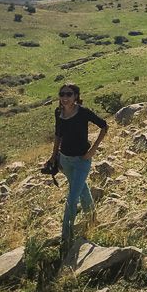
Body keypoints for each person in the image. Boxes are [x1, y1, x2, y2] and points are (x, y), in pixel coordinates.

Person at [49, 82, 108, 253]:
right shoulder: (58, 112)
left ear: (76, 96)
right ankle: (92, 220)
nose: (65, 98)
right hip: (65, 161)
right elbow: (58, 135)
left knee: (72, 199)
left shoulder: (83, 112)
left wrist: (93, 150)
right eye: (62, 94)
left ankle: (65, 239)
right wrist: (54, 156)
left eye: (69, 94)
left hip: (82, 161)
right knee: (82, 189)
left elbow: (104, 126)